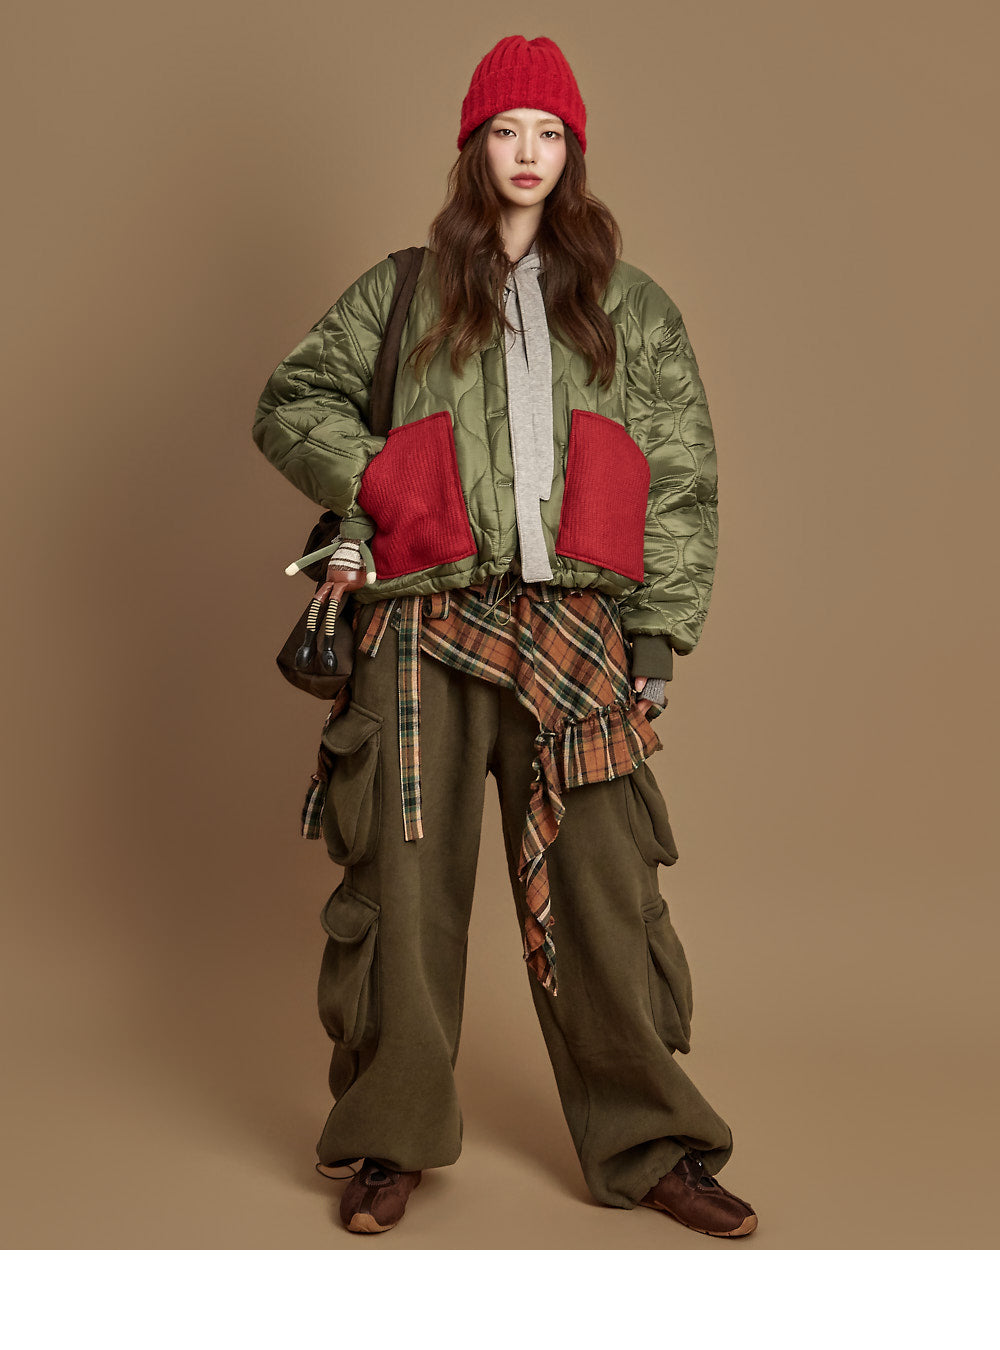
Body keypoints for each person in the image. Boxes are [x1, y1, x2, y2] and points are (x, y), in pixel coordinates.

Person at [251, 34, 758, 1240]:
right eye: (504, 131)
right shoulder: (402, 290)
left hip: (576, 632)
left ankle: (649, 1147)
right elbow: (291, 402)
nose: (527, 152)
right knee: (403, 900)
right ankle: (388, 1141)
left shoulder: (633, 307)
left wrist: (655, 639)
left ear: (572, 151)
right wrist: (386, 479)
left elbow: (680, 482)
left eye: (548, 133)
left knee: (606, 899)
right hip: (420, 628)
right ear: (472, 147)